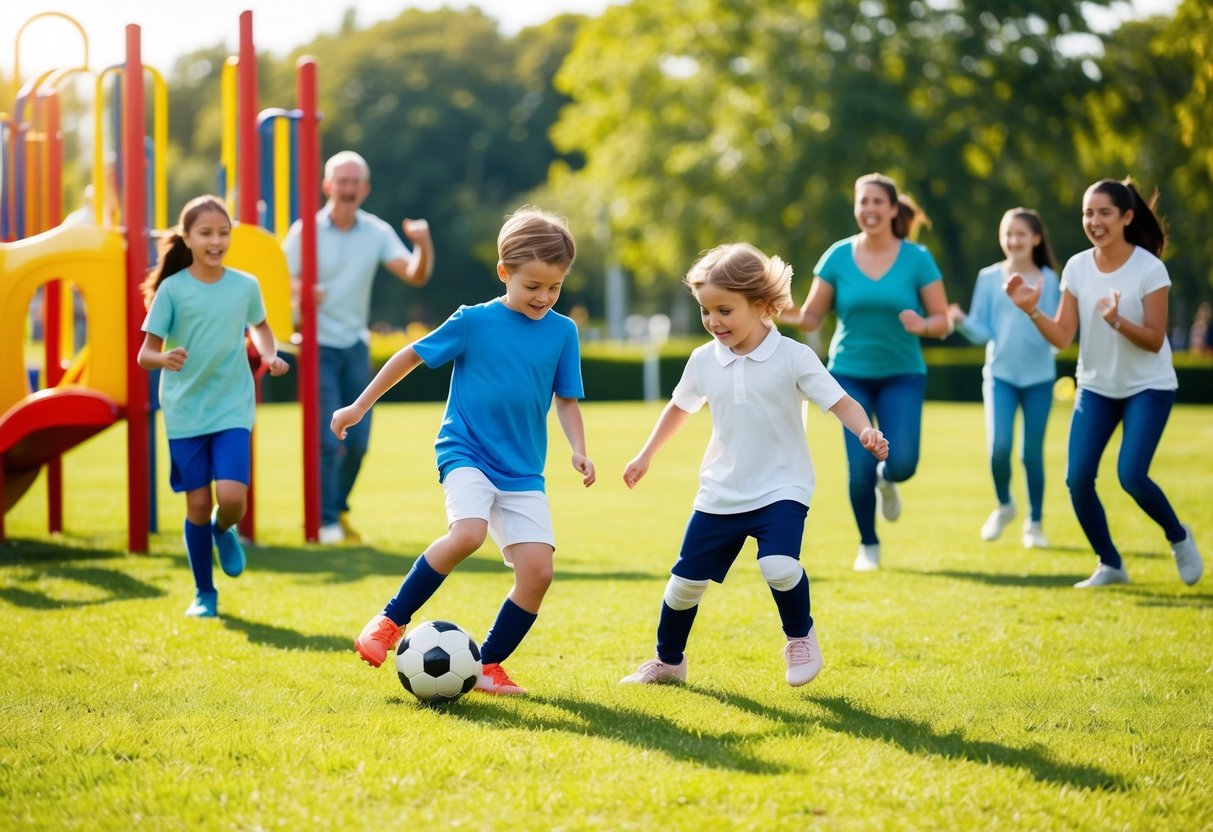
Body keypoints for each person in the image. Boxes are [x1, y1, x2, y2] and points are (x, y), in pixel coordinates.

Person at [333, 207, 595, 695]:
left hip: (522, 471)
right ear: (504, 273)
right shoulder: (473, 321)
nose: (543, 297)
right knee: (468, 533)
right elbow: (410, 355)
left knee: (538, 572)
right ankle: (389, 622)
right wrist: (358, 406)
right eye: (532, 285)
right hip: (466, 451)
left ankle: (487, 668)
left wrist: (578, 449)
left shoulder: (563, 332)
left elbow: (566, 399)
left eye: (554, 287)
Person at [619, 244, 888, 688]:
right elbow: (679, 408)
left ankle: (800, 637)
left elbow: (840, 402)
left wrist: (865, 430)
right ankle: (668, 662)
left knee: (779, 566)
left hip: (782, 487)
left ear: (763, 305)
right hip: (721, 491)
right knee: (684, 586)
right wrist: (645, 455)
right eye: (706, 311)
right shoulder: (704, 359)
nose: (713, 322)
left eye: (724, 310)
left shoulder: (794, 357)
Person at [1005, 178, 1203, 588]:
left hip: (1148, 386)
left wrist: (1117, 321)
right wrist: (1031, 311)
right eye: (1087, 213)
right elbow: (1062, 336)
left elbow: (1153, 340)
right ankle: (1109, 563)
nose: (1093, 221)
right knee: (1077, 478)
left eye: (1103, 213)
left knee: (1131, 475)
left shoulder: (1150, 269)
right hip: (1096, 388)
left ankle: (1178, 536)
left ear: (1127, 217)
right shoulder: (1077, 267)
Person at [783, 173, 949, 571]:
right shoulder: (838, 256)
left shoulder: (917, 259)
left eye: (878, 202)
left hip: (902, 373)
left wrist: (924, 325)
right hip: (848, 373)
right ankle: (868, 544)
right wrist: (765, 306)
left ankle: (888, 480)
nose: (870, 209)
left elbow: (942, 318)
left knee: (903, 462)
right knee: (859, 468)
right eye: (863, 202)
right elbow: (809, 319)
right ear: (856, 208)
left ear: (893, 209)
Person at [137, 195, 290, 617]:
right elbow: (145, 354)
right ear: (187, 238)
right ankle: (205, 594)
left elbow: (260, 327)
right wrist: (163, 358)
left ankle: (226, 530)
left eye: (223, 233)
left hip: (231, 406)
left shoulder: (245, 285)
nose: (215, 241)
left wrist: (269, 354)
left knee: (232, 498)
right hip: (185, 411)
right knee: (198, 506)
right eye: (205, 233)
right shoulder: (172, 290)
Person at [283, 150, 436, 545]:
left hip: (354, 344)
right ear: (327, 185)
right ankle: (326, 520)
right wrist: (303, 291)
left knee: (360, 440)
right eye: (342, 181)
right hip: (316, 344)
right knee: (328, 438)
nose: (349, 189)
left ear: (365, 188)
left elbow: (415, 275)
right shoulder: (305, 232)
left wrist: (423, 243)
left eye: (356, 182)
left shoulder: (376, 232)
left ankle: (337, 507)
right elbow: (278, 278)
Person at [947, 208, 1061, 548]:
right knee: (999, 449)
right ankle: (1005, 505)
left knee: (1031, 454)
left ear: (1036, 239)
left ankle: (1035, 524)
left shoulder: (1049, 280)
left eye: (1021, 234)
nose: (1013, 241)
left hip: (1039, 379)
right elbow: (984, 332)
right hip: (1000, 377)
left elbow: (1055, 330)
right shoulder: (987, 278)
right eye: (1008, 234)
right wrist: (961, 320)